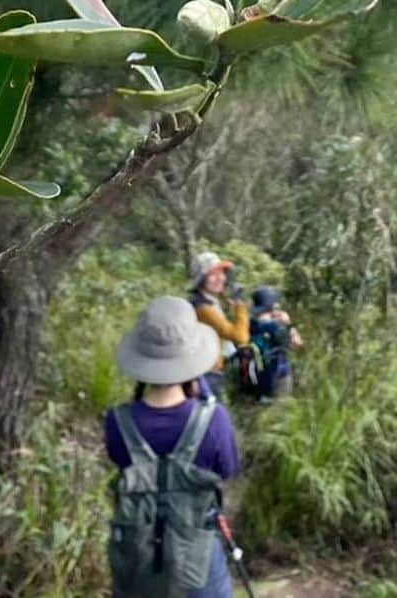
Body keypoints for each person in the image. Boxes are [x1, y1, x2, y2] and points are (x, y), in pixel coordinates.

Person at [105, 295, 240, 598]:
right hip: (197, 554)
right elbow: (228, 469)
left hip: (136, 554)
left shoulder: (118, 420)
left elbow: (120, 460)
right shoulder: (213, 418)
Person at [188, 250, 249, 400]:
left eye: (221, 273)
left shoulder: (210, 302)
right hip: (205, 375)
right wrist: (240, 307)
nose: (220, 278)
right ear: (202, 280)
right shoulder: (203, 308)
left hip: (207, 372)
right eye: (212, 275)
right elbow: (240, 337)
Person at [250, 284, 302, 399]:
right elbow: (296, 343)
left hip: (256, 379)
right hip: (278, 375)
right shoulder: (274, 326)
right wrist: (288, 323)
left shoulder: (251, 323)